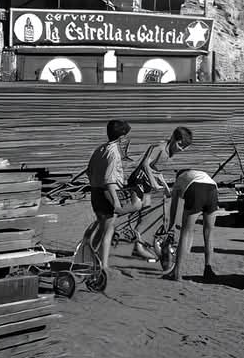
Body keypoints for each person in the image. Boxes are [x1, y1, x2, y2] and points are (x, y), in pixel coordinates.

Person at [125, 126, 192, 260]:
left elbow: (155, 170)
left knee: (146, 213)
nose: (181, 149)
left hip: (147, 183)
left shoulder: (168, 153)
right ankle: (122, 227)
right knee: (139, 209)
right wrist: (154, 183)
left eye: (184, 147)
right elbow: (145, 164)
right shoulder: (160, 147)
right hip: (139, 179)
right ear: (173, 138)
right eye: (180, 145)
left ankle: (138, 246)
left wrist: (166, 187)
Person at [83, 118, 132, 275]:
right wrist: (116, 202)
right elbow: (110, 180)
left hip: (95, 192)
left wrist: (94, 184)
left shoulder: (100, 149)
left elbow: (89, 171)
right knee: (108, 230)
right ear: (122, 137)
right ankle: (103, 265)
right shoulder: (114, 153)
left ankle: (90, 259)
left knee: (100, 226)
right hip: (107, 194)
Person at [163, 167, 220, 282]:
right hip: (213, 189)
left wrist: (171, 224)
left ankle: (177, 272)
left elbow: (174, 205)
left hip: (196, 189)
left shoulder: (180, 178)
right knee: (209, 233)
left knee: (186, 232)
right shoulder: (200, 173)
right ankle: (208, 270)